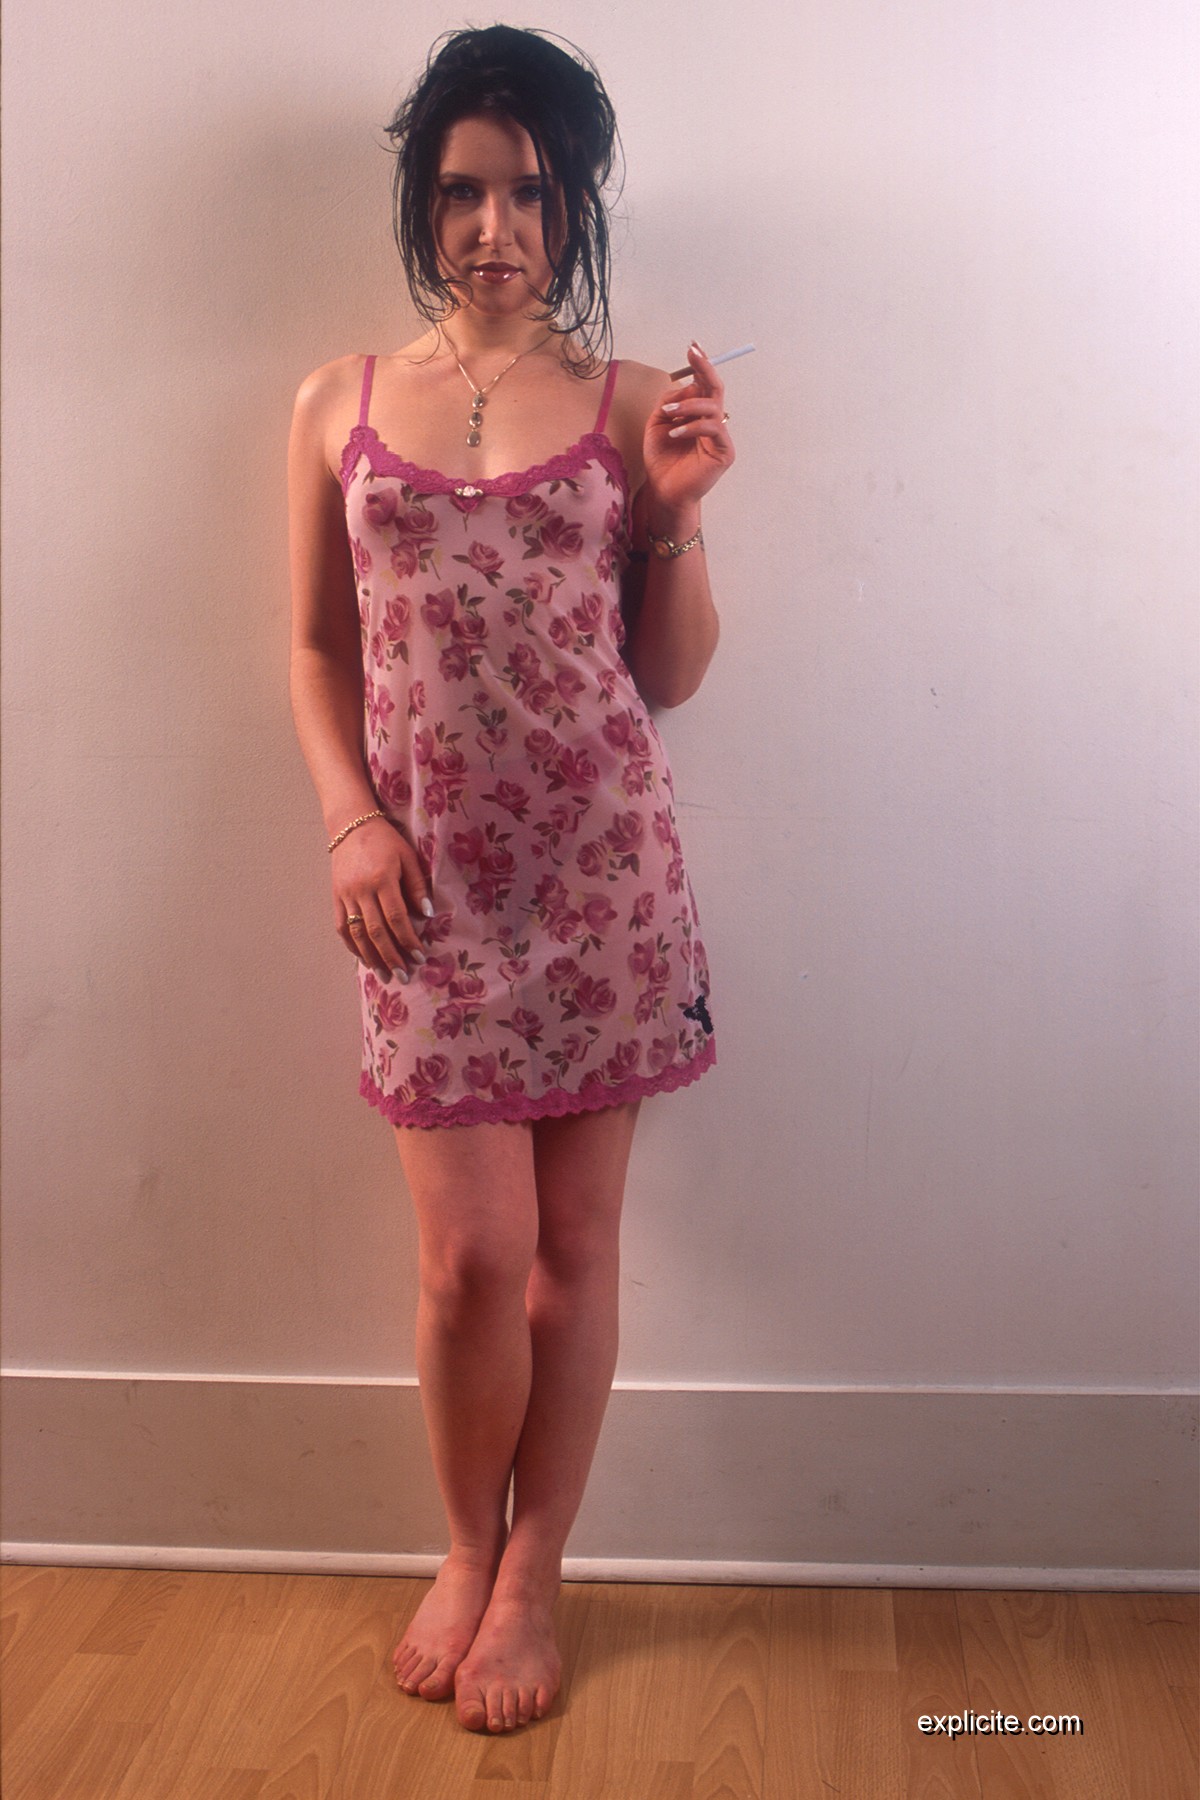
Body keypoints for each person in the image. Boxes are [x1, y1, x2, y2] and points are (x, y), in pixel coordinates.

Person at [287, 23, 734, 1736]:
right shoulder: (336, 401)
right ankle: (464, 1546)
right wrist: (350, 817)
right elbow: (317, 649)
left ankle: (534, 1570)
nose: (496, 229)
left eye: (533, 195)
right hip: (423, 898)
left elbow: (668, 676)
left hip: (604, 882)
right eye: (465, 192)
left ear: (576, 207)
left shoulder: (631, 407)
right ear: (423, 199)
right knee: (469, 1262)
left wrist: (677, 507)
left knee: (571, 1252)